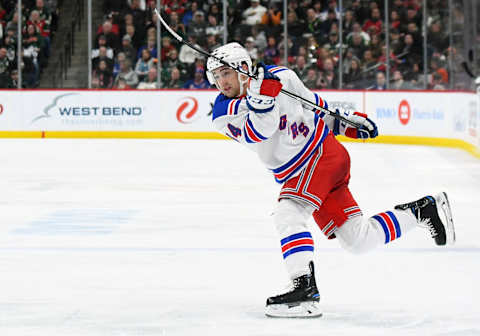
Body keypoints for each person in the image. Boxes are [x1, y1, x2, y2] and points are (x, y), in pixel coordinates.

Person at [206, 42, 455, 318]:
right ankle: (421, 211)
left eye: (225, 73)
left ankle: (304, 288)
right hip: (303, 170)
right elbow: (258, 132)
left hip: (320, 155)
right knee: (358, 240)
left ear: (243, 68)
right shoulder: (222, 114)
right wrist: (260, 100)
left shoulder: (282, 76)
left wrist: (344, 122)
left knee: (288, 212)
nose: (221, 81)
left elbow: (313, 105)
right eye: (216, 76)